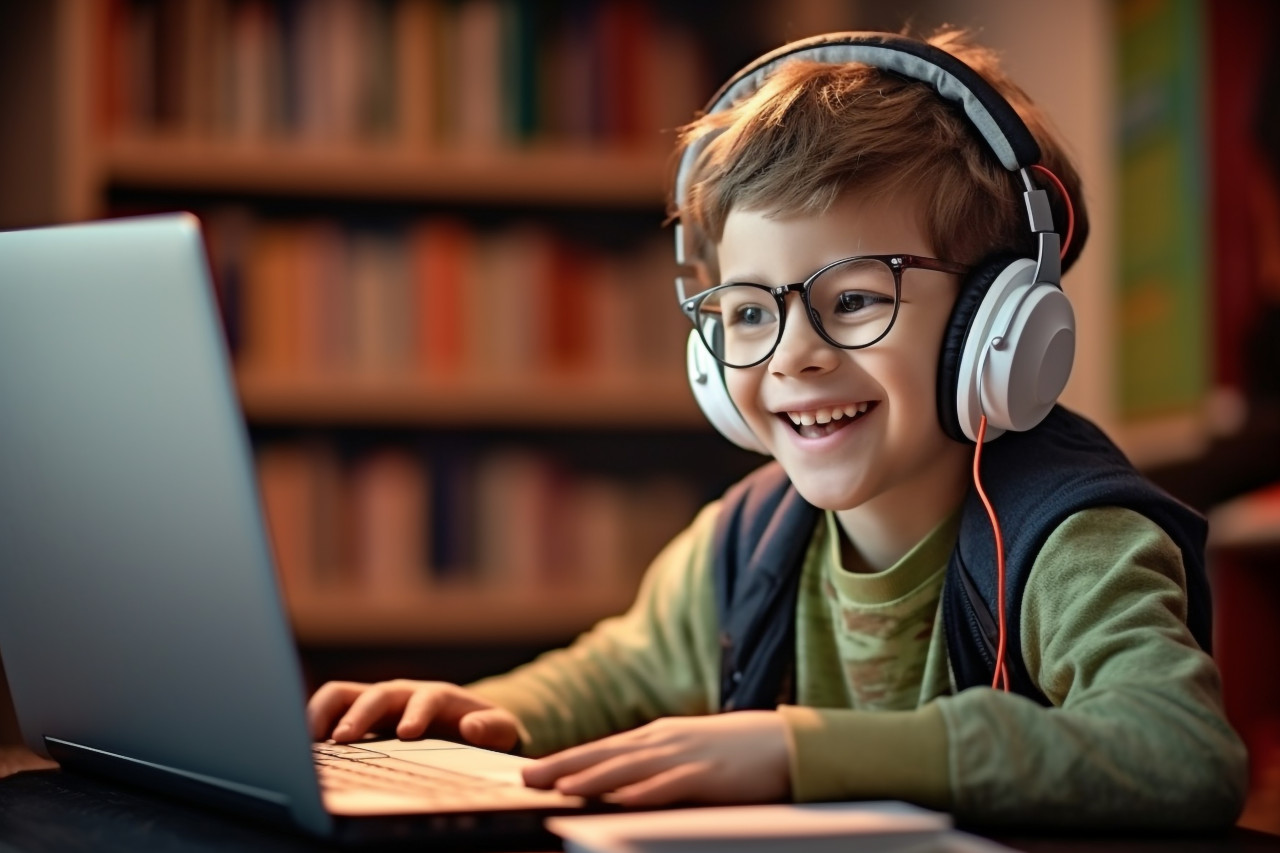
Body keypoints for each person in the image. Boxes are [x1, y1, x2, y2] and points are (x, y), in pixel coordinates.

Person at [307, 29, 1248, 828]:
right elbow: (611, 677)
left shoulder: (1069, 538)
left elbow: (1177, 748)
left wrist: (805, 749)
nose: (792, 354)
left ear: (995, 330)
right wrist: (483, 714)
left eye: (854, 299)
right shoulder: (745, 539)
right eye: (750, 312)